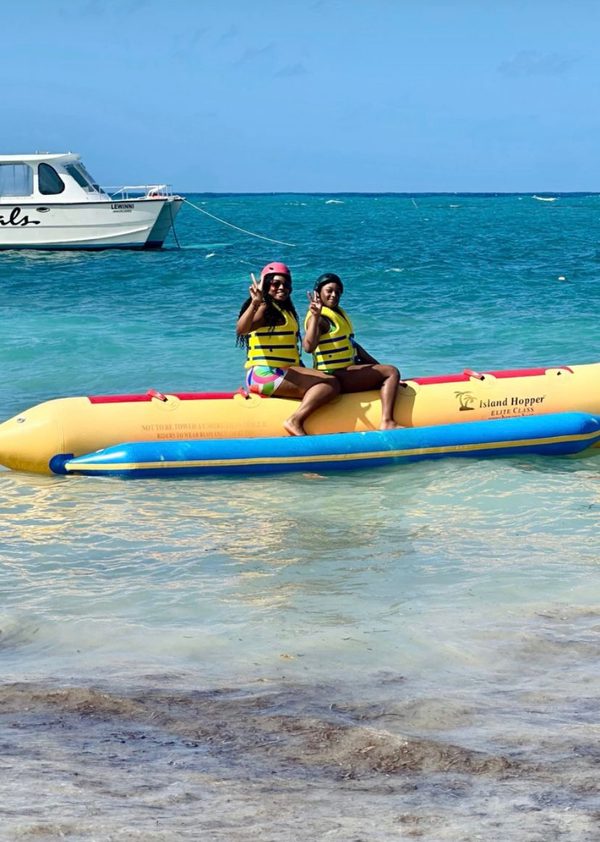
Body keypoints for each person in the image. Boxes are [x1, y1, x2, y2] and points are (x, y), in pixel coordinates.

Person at [236, 262, 340, 436]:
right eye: (275, 283)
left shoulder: (284, 310)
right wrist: (254, 303)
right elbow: (242, 329)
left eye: (286, 284)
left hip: (278, 372)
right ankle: (295, 420)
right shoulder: (264, 308)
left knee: (328, 379)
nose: (281, 287)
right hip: (264, 375)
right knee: (332, 384)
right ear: (266, 284)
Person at [303, 272, 401, 430]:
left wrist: (377, 367)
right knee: (392, 372)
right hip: (333, 374)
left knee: (387, 372)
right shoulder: (320, 319)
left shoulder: (338, 314)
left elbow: (355, 347)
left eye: (337, 292)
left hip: (346, 370)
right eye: (329, 290)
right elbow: (308, 347)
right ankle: (387, 421)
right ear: (318, 293)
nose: (334, 295)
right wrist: (315, 316)